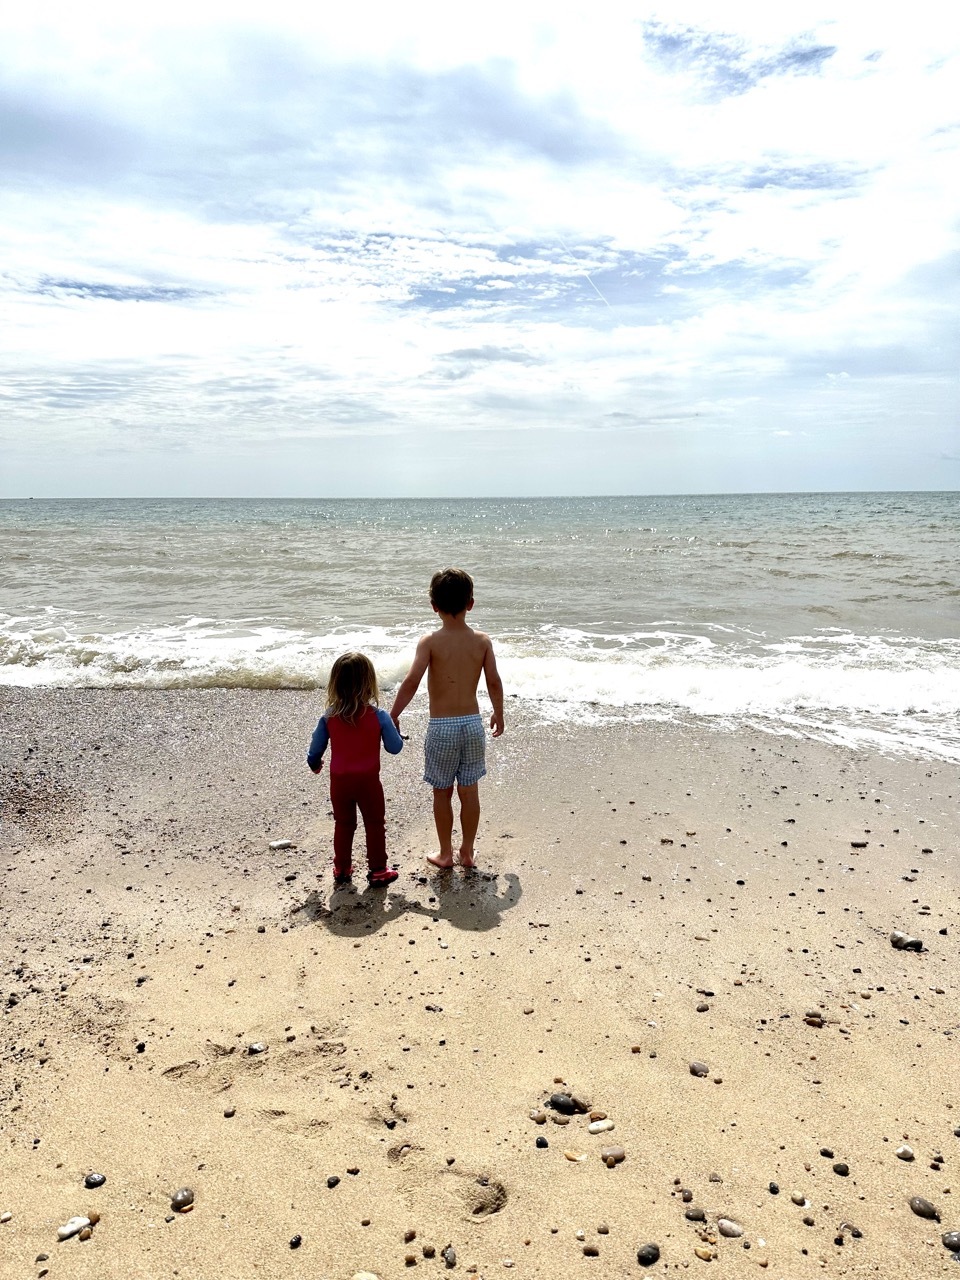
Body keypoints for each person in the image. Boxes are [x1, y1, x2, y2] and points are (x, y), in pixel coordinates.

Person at [390, 568, 504, 870]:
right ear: (471, 603)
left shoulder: (429, 642)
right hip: (471, 724)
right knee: (469, 790)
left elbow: (412, 681)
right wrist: (499, 712)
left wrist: (393, 714)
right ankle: (467, 852)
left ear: (434, 606)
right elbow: (494, 681)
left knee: (442, 792)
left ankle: (445, 853)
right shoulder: (482, 641)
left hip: (441, 728)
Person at [307, 651, 403, 886]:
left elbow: (314, 752)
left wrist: (316, 764)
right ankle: (378, 870)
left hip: (339, 781)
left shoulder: (329, 717)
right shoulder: (379, 716)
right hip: (368, 781)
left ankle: (342, 869)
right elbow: (395, 748)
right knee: (374, 823)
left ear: (335, 684)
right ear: (369, 682)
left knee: (343, 823)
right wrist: (395, 730)